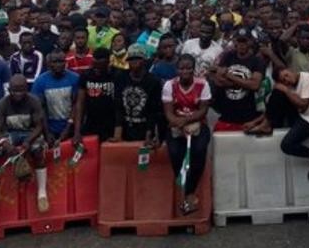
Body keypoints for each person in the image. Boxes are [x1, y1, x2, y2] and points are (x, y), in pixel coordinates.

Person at [0, 74, 48, 220]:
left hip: (29, 133)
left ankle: (42, 193)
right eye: (15, 90)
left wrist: (28, 141)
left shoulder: (33, 101)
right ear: (9, 89)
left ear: (27, 89)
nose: (18, 94)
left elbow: (39, 126)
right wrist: (5, 144)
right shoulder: (1, 104)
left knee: (38, 150)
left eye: (21, 90)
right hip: (8, 134)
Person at [162, 54, 212, 215]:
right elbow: (168, 113)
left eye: (189, 68)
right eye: (182, 68)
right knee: (175, 153)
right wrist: (179, 123)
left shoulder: (203, 84)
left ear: (194, 69)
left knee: (199, 151)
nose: (185, 71)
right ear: (177, 69)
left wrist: (187, 121)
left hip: (197, 124)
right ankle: (188, 194)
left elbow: (203, 110)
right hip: (176, 124)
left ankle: (189, 194)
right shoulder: (170, 85)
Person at [207, 29, 265, 131]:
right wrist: (245, 83)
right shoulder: (228, 56)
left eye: (245, 41)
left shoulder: (257, 61)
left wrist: (229, 75)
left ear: (250, 42)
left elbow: (255, 85)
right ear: (235, 42)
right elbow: (218, 81)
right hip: (226, 114)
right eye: (239, 41)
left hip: (248, 116)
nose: (242, 45)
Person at [274, 66, 309, 181]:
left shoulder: (306, 78)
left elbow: (303, 104)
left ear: (290, 70)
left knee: (286, 145)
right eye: (283, 80)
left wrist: (286, 90)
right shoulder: (290, 86)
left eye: (286, 75)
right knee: (277, 95)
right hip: (302, 115)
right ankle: (267, 121)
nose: (287, 80)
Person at [113, 43, 163, 143]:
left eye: (138, 58)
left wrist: (149, 134)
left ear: (144, 60)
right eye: (131, 59)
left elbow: (153, 111)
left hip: (145, 127)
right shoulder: (121, 77)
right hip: (125, 128)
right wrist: (117, 132)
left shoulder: (153, 81)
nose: (134, 62)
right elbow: (118, 106)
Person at [31, 50, 81, 143]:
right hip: (50, 130)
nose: (58, 64)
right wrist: (47, 133)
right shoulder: (40, 82)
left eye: (61, 61)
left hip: (71, 128)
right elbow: (40, 109)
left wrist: (68, 128)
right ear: (49, 64)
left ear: (65, 62)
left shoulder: (75, 79)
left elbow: (76, 105)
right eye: (55, 62)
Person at [73, 48, 117, 143]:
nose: (96, 68)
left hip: (111, 124)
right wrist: (77, 131)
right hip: (90, 123)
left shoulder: (116, 75)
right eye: (94, 64)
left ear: (107, 62)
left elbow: (120, 105)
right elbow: (80, 103)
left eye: (99, 65)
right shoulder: (86, 75)